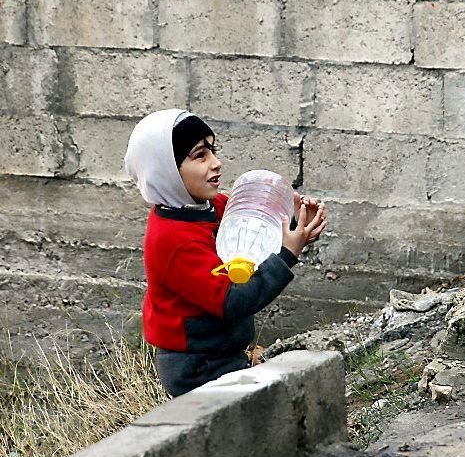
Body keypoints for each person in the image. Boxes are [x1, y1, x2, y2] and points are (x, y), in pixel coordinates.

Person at [123, 109, 326, 397]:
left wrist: (296, 223)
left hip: (223, 351)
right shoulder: (173, 240)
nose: (216, 164)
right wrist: (286, 256)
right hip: (197, 368)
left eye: (212, 151)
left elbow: (256, 231)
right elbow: (234, 300)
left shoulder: (209, 206)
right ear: (166, 170)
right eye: (199, 156)